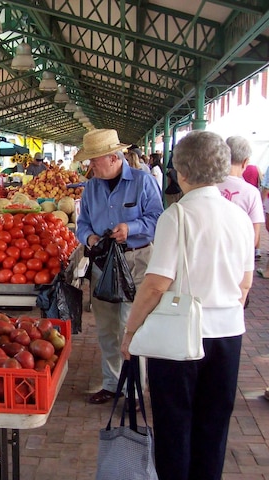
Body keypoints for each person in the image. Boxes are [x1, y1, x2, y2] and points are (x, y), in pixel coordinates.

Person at [121, 130, 254, 480]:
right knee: (214, 426)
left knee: (174, 425)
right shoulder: (239, 217)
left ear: (180, 172)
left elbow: (155, 285)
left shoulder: (177, 216)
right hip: (228, 335)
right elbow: (245, 283)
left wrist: (131, 331)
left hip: (179, 340)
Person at [75, 129, 163, 405]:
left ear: (113, 158)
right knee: (107, 327)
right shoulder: (90, 188)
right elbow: (82, 224)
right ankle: (112, 384)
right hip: (103, 264)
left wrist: (131, 228)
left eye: (94, 160)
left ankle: (134, 389)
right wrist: (88, 236)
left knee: (131, 326)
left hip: (136, 261)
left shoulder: (142, 182)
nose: (90, 166)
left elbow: (158, 218)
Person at [217, 136, 264, 260]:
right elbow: (254, 237)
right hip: (236, 260)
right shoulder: (252, 193)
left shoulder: (209, 184)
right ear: (245, 162)